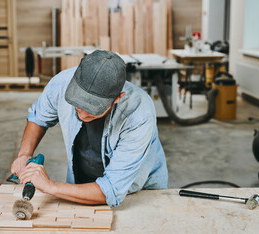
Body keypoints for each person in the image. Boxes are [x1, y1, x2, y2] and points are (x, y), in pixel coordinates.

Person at [11, 50, 168, 207]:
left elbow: (111, 189)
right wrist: (24, 154)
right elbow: (38, 118)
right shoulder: (61, 83)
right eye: (78, 102)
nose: (83, 113)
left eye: (93, 107)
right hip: (83, 182)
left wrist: (49, 186)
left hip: (135, 194)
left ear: (118, 98)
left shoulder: (139, 114)